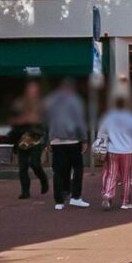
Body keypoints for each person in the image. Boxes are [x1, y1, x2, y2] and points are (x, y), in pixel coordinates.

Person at [94, 85, 132, 211]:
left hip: (112, 150)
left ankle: (108, 193)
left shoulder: (108, 118)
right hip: (128, 151)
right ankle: (125, 202)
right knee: (126, 177)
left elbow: (101, 134)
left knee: (111, 174)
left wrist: (100, 146)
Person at [44, 77, 88, 207]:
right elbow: (80, 121)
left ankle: (59, 201)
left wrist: (48, 141)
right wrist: (84, 139)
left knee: (58, 171)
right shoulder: (75, 101)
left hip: (56, 140)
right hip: (72, 139)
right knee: (78, 168)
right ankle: (76, 197)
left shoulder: (50, 101)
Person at [9, 79, 49, 201]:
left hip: (36, 138)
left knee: (35, 164)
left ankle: (43, 179)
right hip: (21, 139)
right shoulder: (19, 103)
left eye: (34, 90)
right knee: (22, 167)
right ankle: (25, 191)